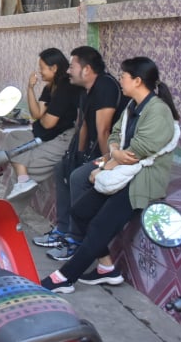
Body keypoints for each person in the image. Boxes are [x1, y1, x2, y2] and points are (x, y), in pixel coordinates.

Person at [41, 57, 179, 293]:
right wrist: (115, 153)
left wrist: (105, 166)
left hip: (141, 181)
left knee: (100, 225)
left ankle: (64, 277)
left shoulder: (158, 111)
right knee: (80, 212)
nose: (120, 80)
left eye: (123, 76)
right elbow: (116, 136)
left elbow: (137, 152)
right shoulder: (133, 105)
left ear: (137, 81)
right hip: (122, 173)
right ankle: (107, 268)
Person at [33, 46, 124, 261]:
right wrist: (78, 156)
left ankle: (75, 239)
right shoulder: (85, 90)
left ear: (87, 69)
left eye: (72, 66)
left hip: (114, 154)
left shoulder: (105, 86)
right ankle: (63, 229)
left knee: (78, 177)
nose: (68, 71)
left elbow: (104, 131)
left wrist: (106, 166)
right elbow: (82, 126)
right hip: (95, 150)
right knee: (63, 168)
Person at [3, 48, 83, 200]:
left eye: (42, 68)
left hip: (60, 137)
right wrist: (30, 88)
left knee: (27, 166)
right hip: (42, 133)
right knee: (13, 138)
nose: (40, 72)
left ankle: (21, 184)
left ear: (54, 68)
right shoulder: (50, 87)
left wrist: (43, 118)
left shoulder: (65, 87)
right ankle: (23, 179)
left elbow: (48, 124)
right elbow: (37, 114)